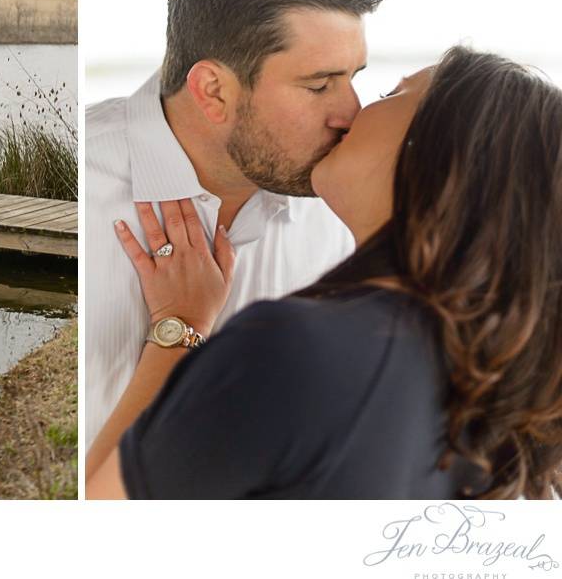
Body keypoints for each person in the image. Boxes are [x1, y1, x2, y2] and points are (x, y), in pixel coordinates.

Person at [87, 46, 562, 500]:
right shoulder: (496, 389)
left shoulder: (293, 348)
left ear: (445, 156)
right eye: (321, 83)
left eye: (392, 94)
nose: (351, 111)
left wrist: (180, 326)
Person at [85, 0, 383, 450]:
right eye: (319, 85)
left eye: (353, 77)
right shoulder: (80, 188)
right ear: (213, 91)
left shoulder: (343, 207)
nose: (351, 114)